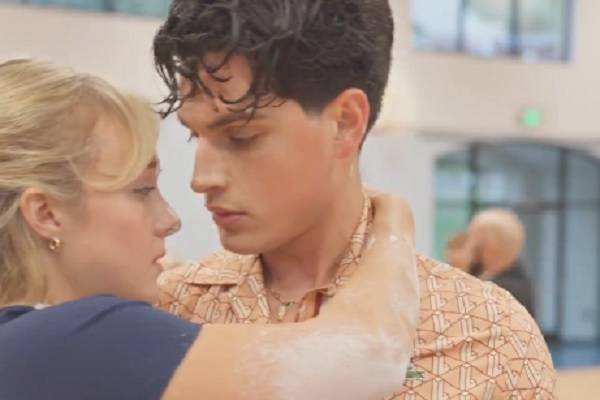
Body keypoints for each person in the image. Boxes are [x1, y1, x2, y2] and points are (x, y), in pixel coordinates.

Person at [154, 1, 558, 398]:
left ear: (345, 122)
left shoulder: (489, 336)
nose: (201, 179)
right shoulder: (171, 307)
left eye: (242, 137)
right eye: (196, 135)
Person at [0, 59, 421, 400]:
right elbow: (369, 356)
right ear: (46, 213)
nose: (170, 219)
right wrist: (392, 225)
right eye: (141, 190)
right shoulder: (74, 339)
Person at [469, 208, 536, 317]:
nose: (471, 248)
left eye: (477, 244)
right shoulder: (512, 277)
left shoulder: (502, 290)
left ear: (491, 246)